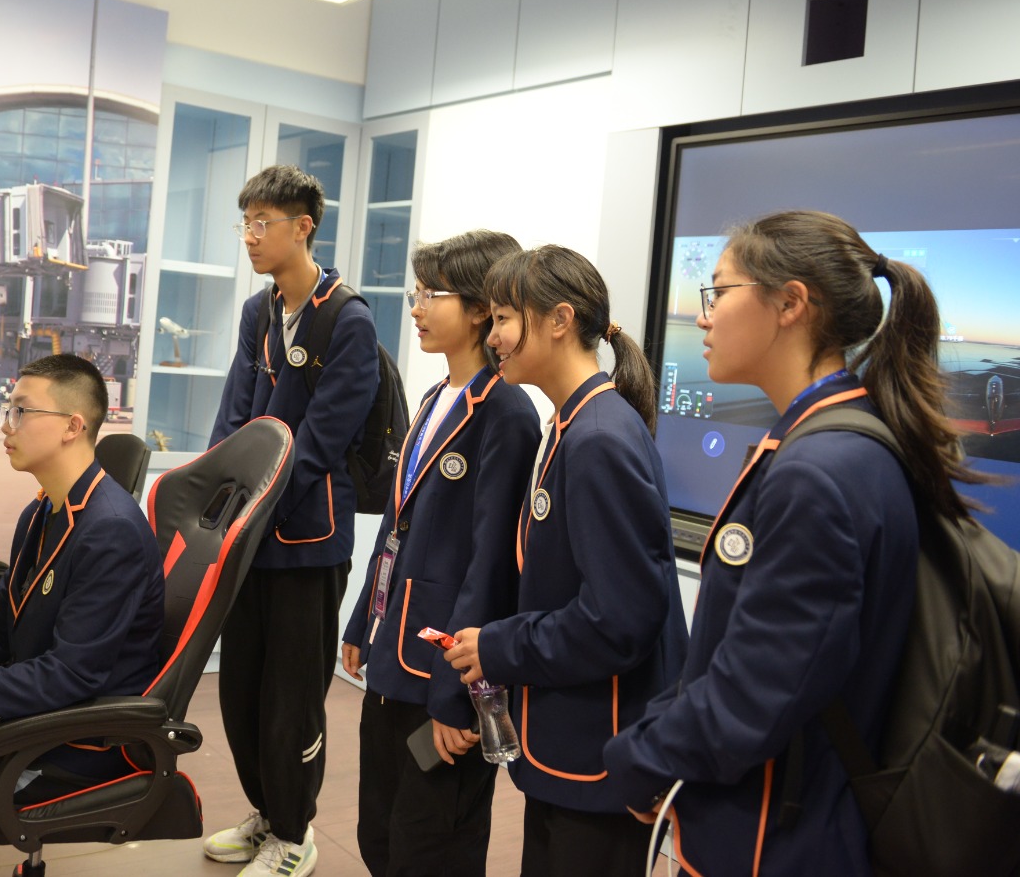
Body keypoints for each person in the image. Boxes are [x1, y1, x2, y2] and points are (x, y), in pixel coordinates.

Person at [602, 211, 956, 874]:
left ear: (791, 303)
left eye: (718, 292)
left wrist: (639, 761)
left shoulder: (819, 469)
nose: (702, 316)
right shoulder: (840, 438)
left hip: (779, 837)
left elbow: (757, 692)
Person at [442, 244, 687, 877]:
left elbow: (619, 620)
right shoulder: (573, 424)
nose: (492, 336)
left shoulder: (598, 437)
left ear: (559, 320)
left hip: (599, 751)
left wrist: (500, 646)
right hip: (570, 743)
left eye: (503, 318)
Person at [0, 354, 164, 877]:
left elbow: (71, 676)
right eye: (7, 409)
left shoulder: (111, 530)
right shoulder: (42, 512)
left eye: (21, 411)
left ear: (72, 426)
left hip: (72, 736)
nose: (6, 424)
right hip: (24, 705)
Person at [340, 230, 541, 877]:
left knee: (431, 843)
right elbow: (396, 526)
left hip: (442, 677)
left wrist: (462, 698)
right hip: (392, 658)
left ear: (481, 308)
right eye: (416, 292)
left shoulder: (506, 413)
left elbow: (493, 566)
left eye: (432, 294)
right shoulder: (432, 400)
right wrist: (360, 621)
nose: (417, 307)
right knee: (380, 832)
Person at [204, 164, 380, 877]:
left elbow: (320, 444)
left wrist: (253, 504)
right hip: (249, 537)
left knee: (292, 700)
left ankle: (295, 833)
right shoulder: (259, 312)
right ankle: (265, 813)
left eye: (262, 223)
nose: (249, 236)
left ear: (303, 227)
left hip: (308, 544)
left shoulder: (347, 319)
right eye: (244, 223)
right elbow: (234, 418)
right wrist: (218, 504)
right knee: (240, 691)